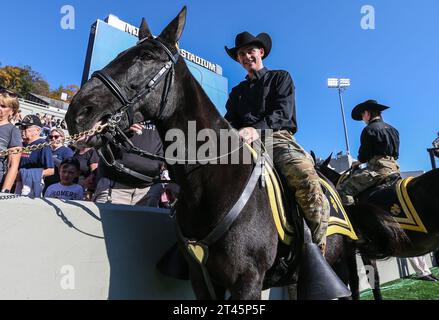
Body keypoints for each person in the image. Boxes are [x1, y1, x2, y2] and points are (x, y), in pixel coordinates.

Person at [224, 32, 329, 254]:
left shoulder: (281, 77)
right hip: (242, 142)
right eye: (241, 54)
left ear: (260, 52)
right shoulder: (236, 92)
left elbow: (283, 112)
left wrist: (256, 129)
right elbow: (229, 121)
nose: (245, 56)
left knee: (304, 175)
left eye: (250, 51)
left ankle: (318, 249)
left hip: (276, 139)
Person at [337, 100, 400, 206]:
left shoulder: (369, 129)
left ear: (367, 113)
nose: (363, 119)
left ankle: (353, 219)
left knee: (341, 191)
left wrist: (358, 162)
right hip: (395, 170)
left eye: (362, 115)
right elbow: (396, 155)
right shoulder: (394, 130)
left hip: (377, 171)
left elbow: (364, 155)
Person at [93, 122, 164, 206]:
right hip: (116, 187)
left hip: (149, 190)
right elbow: (96, 135)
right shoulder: (121, 111)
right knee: (108, 219)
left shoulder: (165, 114)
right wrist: (122, 130)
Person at [15, 115, 54, 197]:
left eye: (26, 127)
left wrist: (26, 174)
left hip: (32, 185)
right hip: (17, 182)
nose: (22, 130)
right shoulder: (21, 144)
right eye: (21, 127)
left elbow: (50, 170)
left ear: (37, 130)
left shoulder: (43, 145)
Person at [0, 88, 22, 193]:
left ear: (12, 111)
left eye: (3, 106)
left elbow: (13, 165)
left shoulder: (13, 131)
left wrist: (5, 191)